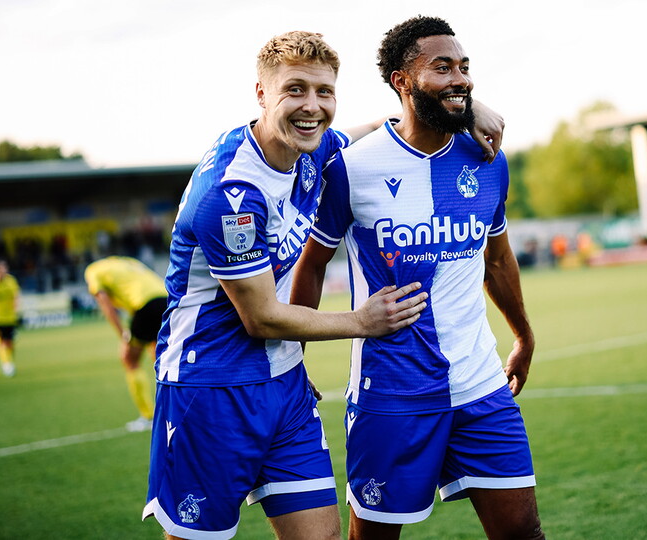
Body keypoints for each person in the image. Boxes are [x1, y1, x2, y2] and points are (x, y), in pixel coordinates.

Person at [142, 31, 445, 540]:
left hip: (285, 385)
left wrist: (468, 112)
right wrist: (362, 322)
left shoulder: (312, 147)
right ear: (261, 94)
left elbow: (382, 128)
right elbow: (260, 317)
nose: (312, 106)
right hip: (210, 389)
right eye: (295, 90)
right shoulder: (232, 194)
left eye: (324, 91)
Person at [292, 16, 544, 539]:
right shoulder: (351, 168)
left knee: (523, 534)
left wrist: (523, 335)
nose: (461, 78)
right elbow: (312, 264)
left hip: (481, 387)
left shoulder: (488, 158)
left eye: (464, 67)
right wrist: (295, 357)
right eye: (443, 67)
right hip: (390, 395)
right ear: (402, 81)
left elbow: (498, 259)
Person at [84, 255, 167, 432]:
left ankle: (148, 416)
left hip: (146, 305)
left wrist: (123, 334)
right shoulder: (128, 262)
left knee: (129, 359)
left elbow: (106, 305)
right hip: (167, 299)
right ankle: (174, 411)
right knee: (163, 361)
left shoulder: (93, 271)